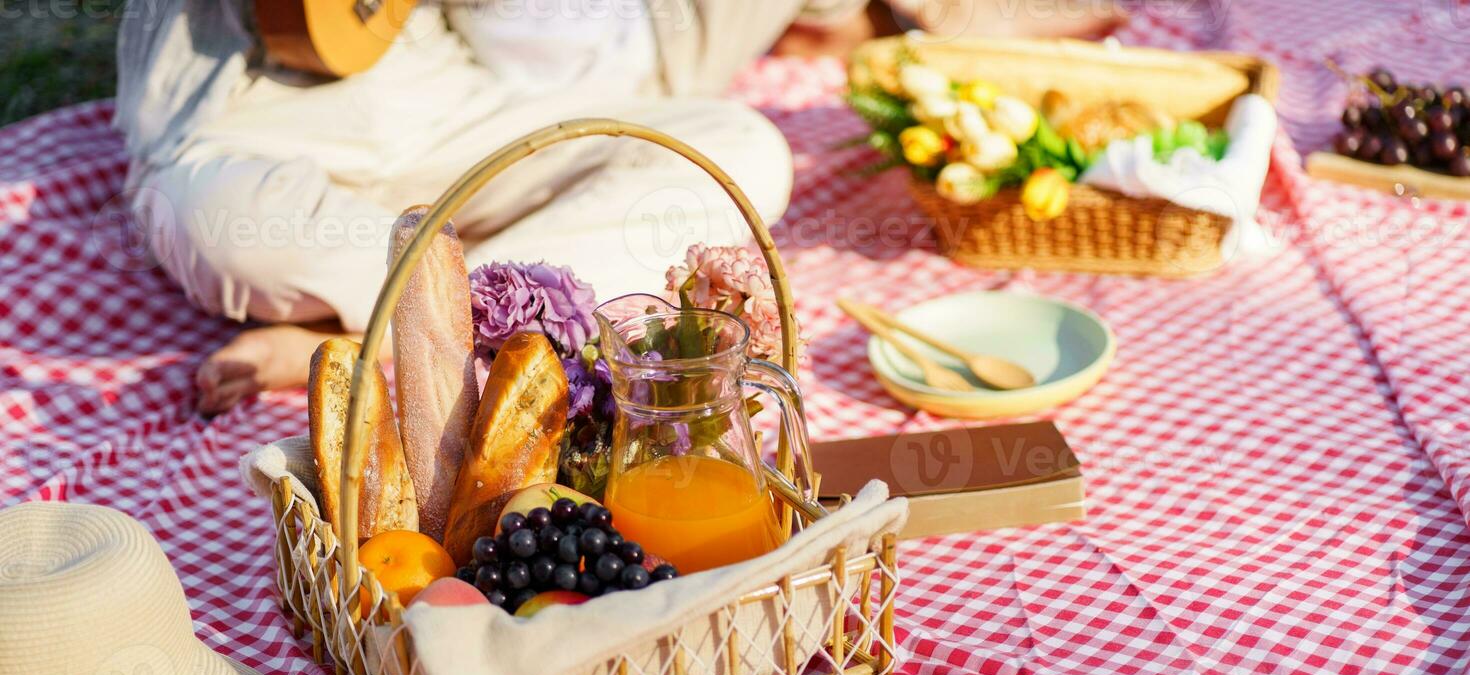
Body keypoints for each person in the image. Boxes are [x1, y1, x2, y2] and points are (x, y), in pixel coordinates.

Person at [115, 0, 1119, 413]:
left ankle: (394, 326)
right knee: (227, 231)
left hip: (442, 93)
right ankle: (447, 292)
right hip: (237, 115)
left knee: (740, 150)